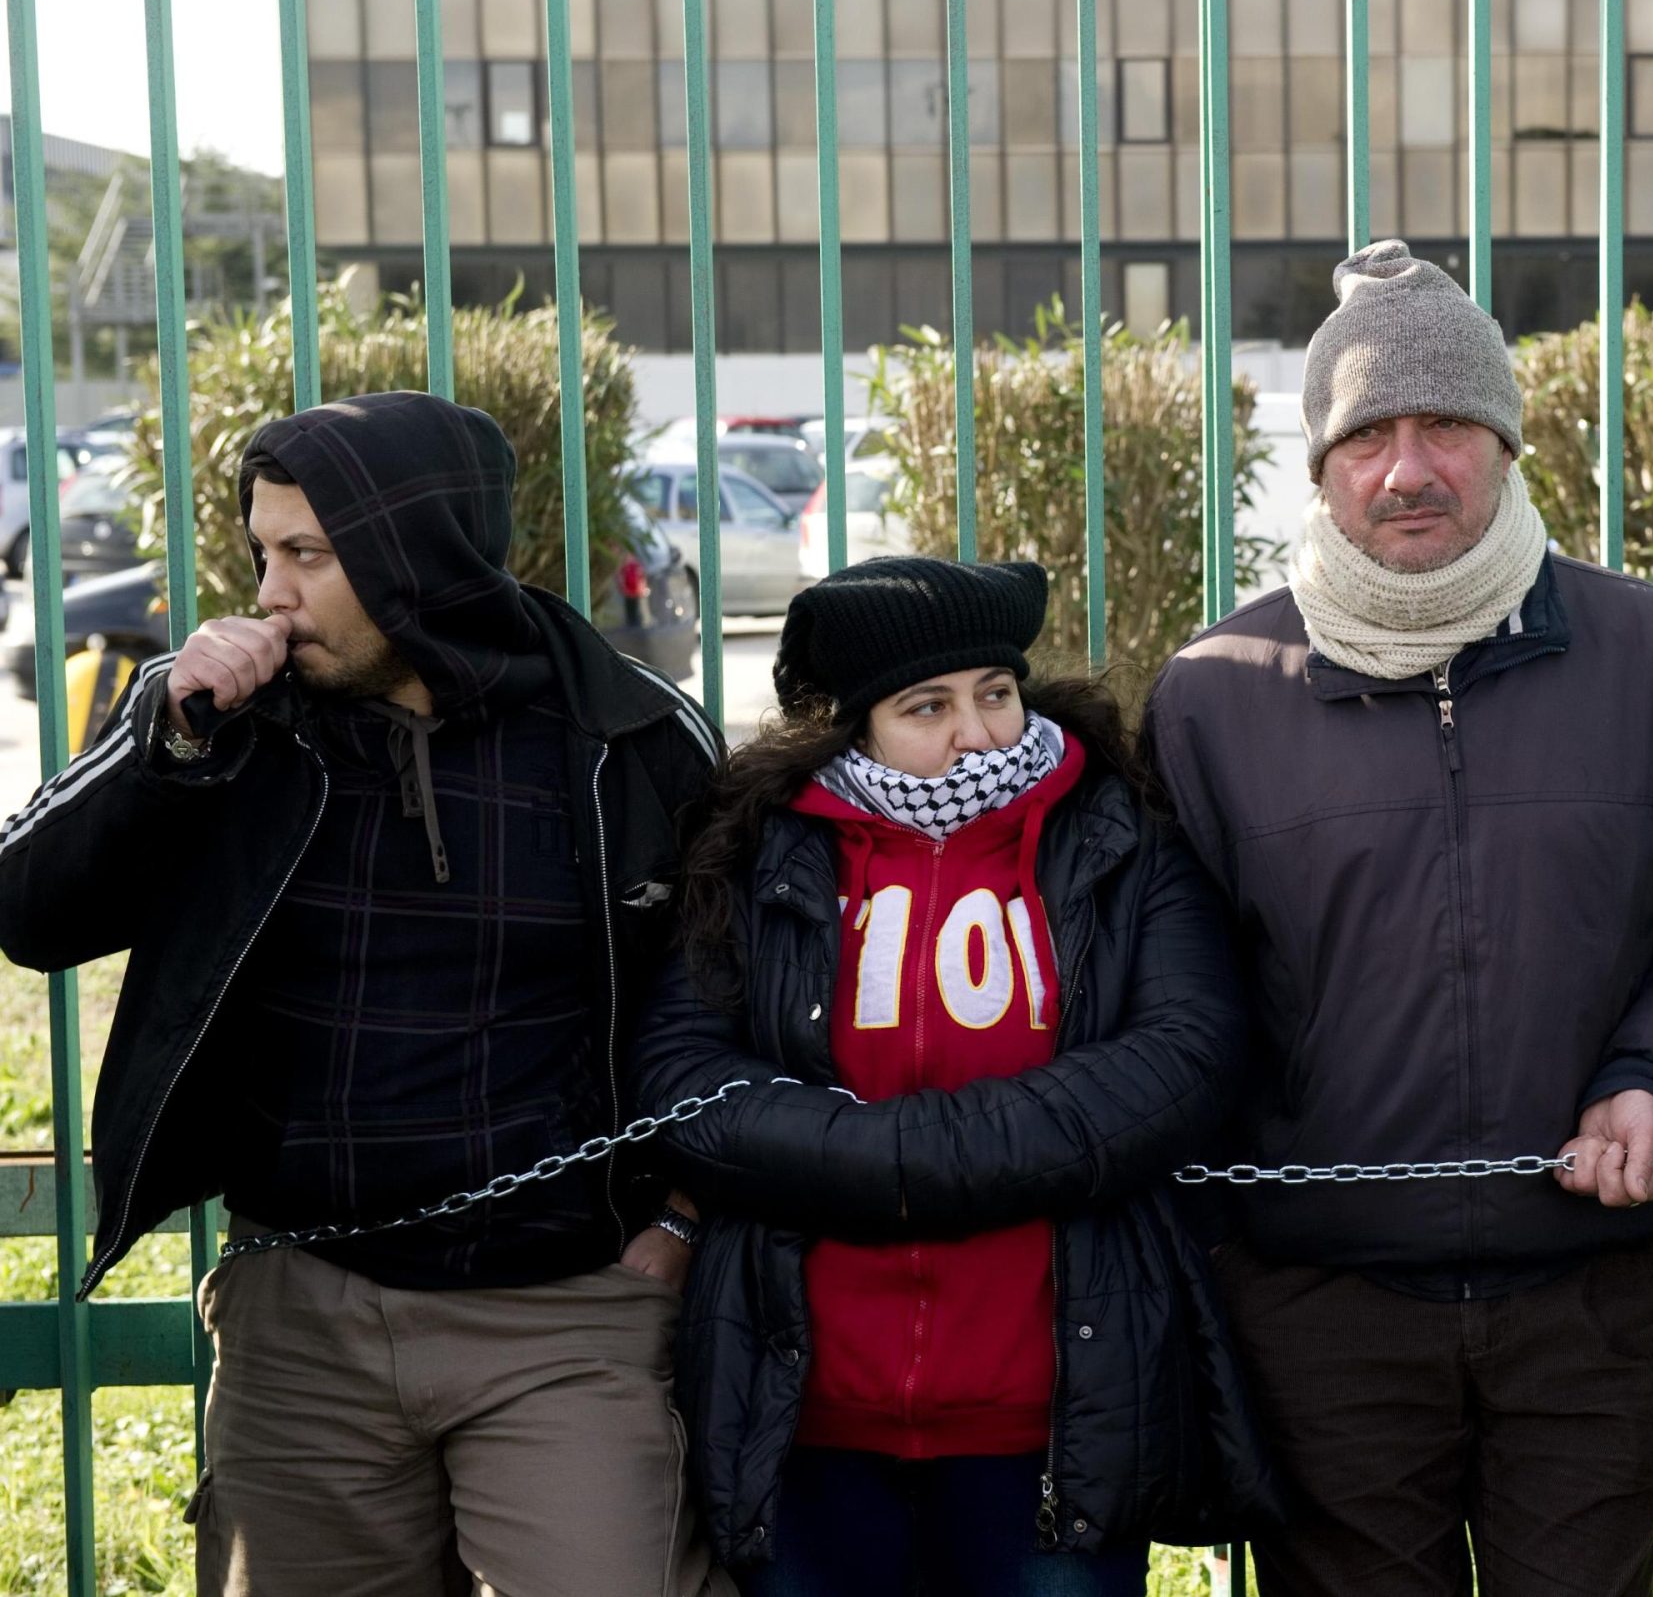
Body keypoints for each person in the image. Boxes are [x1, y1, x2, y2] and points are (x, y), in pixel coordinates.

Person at [1144, 239, 1653, 1597]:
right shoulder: (1213, 695)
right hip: (1320, 1311)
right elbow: (1175, 991)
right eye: (1368, 432)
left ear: (1506, 443)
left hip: (1587, 1299)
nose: (1408, 467)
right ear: (1319, 467)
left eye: (1447, 424)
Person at [0, 391, 732, 1595]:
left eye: (309, 554)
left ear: (420, 552)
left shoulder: (625, 738)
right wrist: (166, 741)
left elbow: (725, 999)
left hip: (562, 1313)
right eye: (261, 553)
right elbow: (29, 916)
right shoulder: (234, 726)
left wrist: (680, 1225)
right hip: (307, 1310)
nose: (272, 591)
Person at [632, 554, 1276, 1595]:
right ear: (851, 723)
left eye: (996, 692)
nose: (978, 733)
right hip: (810, 1410)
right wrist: (878, 1156)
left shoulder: (1117, 835)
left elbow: (1180, 1056)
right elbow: (684, 1071)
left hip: (1051, 1414)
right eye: (926, 705)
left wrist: (912, 1154)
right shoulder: (763, 849)